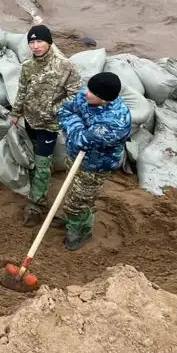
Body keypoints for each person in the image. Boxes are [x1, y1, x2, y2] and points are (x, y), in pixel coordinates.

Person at [10, 24, 82, 227]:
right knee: (36, 159)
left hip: (49, 125)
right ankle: (38, 185)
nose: (35, 46)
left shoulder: (64, 66)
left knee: (42, 164)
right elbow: (22, 90)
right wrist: (15, 113)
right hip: (30, 120)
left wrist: (53, 109)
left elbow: (76, 94)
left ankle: (36, 204)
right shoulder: (28, 66)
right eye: (32, 42)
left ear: (49, 42)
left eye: (39, 41)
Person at [57, 72, 131, 250]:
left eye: (91, 92)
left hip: (94, 167)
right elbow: (64, 110)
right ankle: (74, 218)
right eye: (89, 88)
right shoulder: (88, 95)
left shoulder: (116, 122)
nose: (85, 93)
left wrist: (75, 124)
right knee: (71, 191)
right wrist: (79, 125)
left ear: (104, 99)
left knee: (77, 202)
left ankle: (82, 230)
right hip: (74, 156)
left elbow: (80, 140)